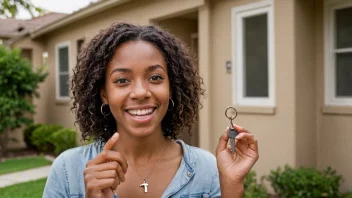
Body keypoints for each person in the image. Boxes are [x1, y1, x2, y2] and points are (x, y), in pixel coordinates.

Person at [43, 22, 259, 198]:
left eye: (155, 77)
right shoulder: (68, 171)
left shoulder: (207, 169)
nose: (140, 92)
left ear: (172, 88)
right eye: (122, 80)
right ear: (104, 94)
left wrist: (231, 187)